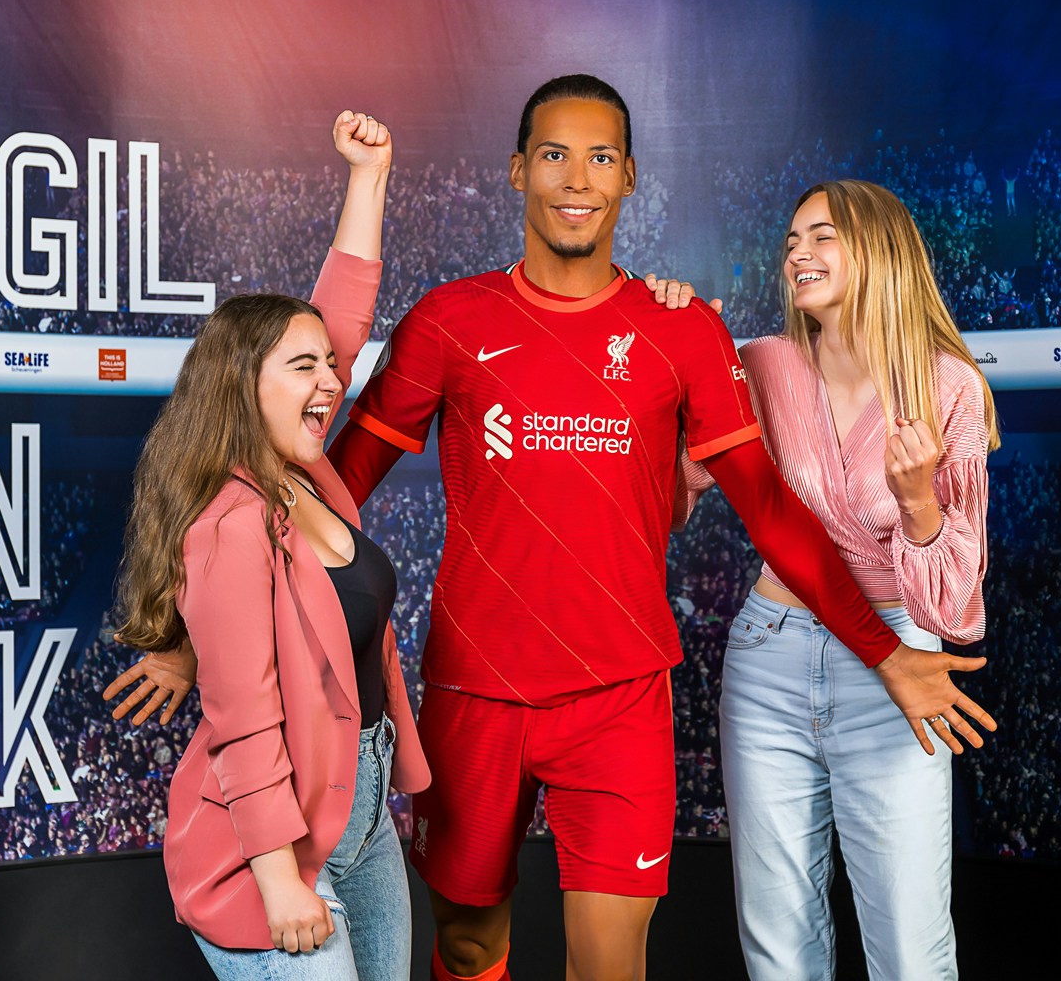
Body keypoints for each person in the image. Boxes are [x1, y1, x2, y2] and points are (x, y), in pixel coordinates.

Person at [116, 76, 993, 981]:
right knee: (466, 945)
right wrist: (194, 637)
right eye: (554, 155)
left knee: (610, 962)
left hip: (621, 698)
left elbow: (772, 511)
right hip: (473, 697)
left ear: (629, 177)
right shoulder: (448, 321)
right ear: (517, 171)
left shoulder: (681, 330)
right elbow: (315, 493)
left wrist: (887, 654)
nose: (577, 178)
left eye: (601, 157)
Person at [109, 111, 430, 981]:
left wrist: (369, 177)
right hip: (273, 843)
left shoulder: (308, 475)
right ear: (241, 388)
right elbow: (245, 719)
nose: (331, 380)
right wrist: (279, 878)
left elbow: (339, 320)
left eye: (330, 365)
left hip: (361, 818)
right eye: (304, 368)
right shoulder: (229, 523)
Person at [668, 179, 1000, 979]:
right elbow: (674, 496)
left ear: (880, 249)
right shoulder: (759, 365)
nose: (798, 254)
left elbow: (955, 609)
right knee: (778, 947)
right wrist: (672, 336)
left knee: (912, 950)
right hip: (768, 661)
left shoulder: (949, 384)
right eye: (791, 242)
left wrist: (919, 504)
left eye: (822, 236)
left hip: (898, 661)